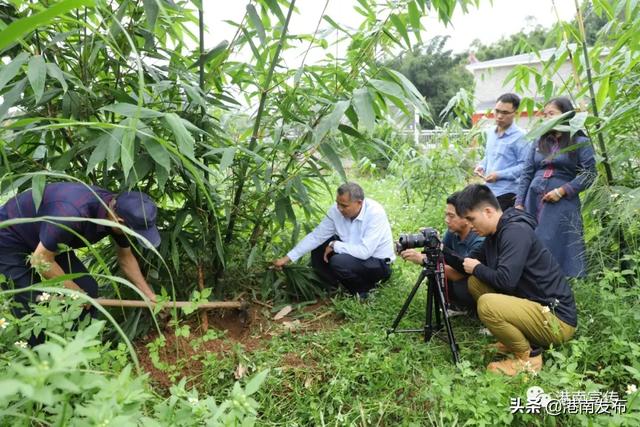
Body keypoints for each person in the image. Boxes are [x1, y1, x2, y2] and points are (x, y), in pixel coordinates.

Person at [455, 184, 577, 376]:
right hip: (533, 307)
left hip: (556, 321)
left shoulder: (514, 232)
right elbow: (464, 263)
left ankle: (529, 357)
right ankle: (513, 340)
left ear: (487, 211)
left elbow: (506, 281)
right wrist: (436, 253)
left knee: (488, 303)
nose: (469, 226)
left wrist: (477, 267)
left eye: (471, 219)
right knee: (475, 283)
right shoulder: (493, 235)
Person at [0, 182, 160, 319]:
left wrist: (149, 295)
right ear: (119, 221)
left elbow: (126, 258)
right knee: (28, 304)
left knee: (88, 291)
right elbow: (40, 260)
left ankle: (79, 344)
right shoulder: (73, 215)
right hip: (9, 236)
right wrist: (75, 293)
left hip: (48, 238)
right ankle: (37, 351)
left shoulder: (115, 210)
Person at [515, 97, 596, 278]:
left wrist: (563, 191)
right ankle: (534, 282)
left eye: (551, 113)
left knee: (556, 239)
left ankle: (562, 285)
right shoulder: (538, 141)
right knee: (531, 239)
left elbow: (589, 173)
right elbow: (527, 173)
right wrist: (519, 202)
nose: (546, 118)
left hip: (562, 200)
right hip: (533, 199)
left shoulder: (579, 141)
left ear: (566, 115)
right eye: (545, 115)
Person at [273, 182, 394, 296]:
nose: (339, 208)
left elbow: (365, 252)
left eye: (344, 206)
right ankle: (330, 284)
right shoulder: (337, 210)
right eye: (337, 203)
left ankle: (363, 291)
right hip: (352, 253)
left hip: (377, 263)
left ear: (359, 203)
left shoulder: (375, 213)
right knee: (320, 245)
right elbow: (316, 236)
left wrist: (334, 245)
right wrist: (287, 258)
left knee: (338, 261)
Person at [400, 192, 484, 314]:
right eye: (446, 215)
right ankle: (456, 305)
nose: (446, 220)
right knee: (435, 278)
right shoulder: (453, 232)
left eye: (451, 216)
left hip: (476, 283)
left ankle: (472, 308)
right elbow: (440, 256)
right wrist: (413, 252)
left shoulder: (479, 239)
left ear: (467, 218)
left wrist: (423, 260)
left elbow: (461, 274)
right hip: (461, 275)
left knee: (460, 286)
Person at [474, 93, 530, 211]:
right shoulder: (490, 132)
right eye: (497, 111)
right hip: (489, 192)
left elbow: (525, 166)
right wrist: (482, 166)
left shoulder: (521, 137)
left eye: (505, 113)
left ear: (515, 113)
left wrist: (499, 175)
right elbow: (489, 156)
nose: (499, 116)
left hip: (508, 194)